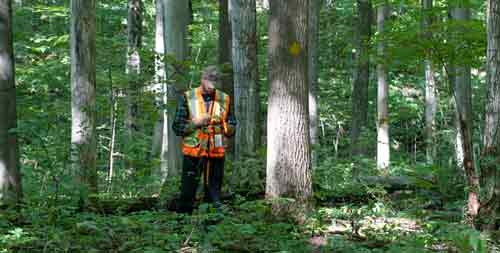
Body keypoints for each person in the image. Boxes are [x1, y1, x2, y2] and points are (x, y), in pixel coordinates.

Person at [172, 65, 236, 214]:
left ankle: (211, 226)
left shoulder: (224, 98)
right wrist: (196, 123)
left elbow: (232, 123)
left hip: (216, 152)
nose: (213, 87)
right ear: (203, 79)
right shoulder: (188, 97)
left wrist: (227, 130)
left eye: (216, 84)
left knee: (214, 194)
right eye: (210, 83)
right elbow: (177, 127)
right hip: (193, 152)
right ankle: (182, 225)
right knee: (188, 192)